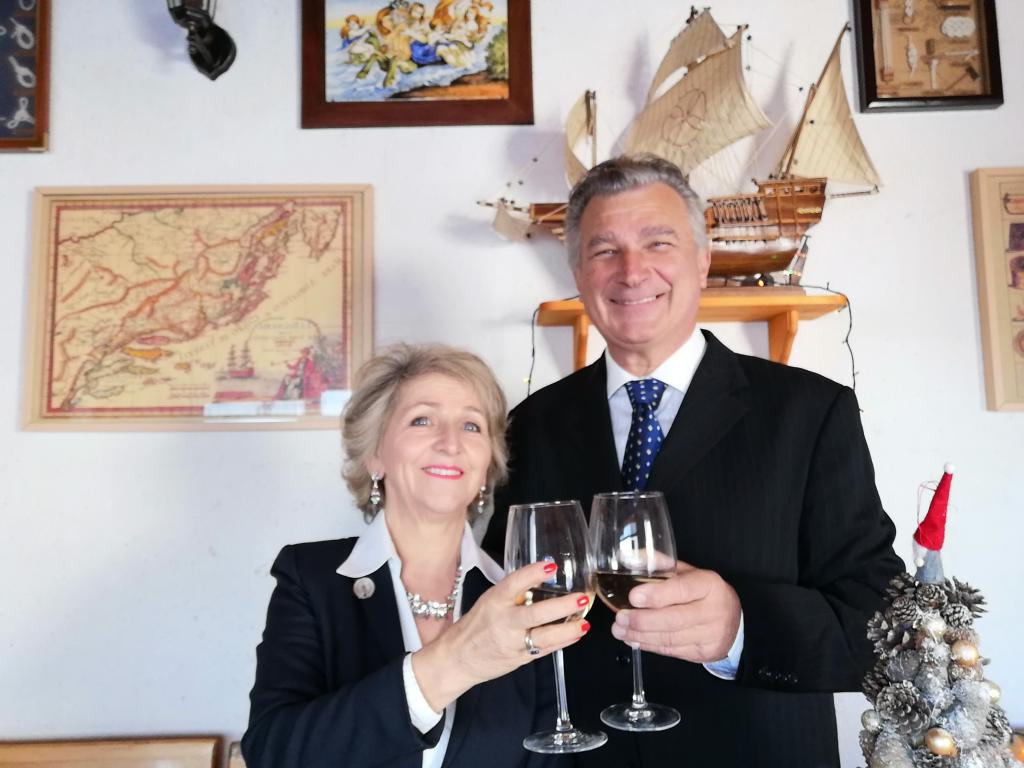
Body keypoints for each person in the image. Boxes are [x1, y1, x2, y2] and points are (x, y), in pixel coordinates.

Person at [483, 154, 904, 768]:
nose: (632, 271)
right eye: (605, 250)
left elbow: (880, 619)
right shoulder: (531, 424)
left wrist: (741, 628)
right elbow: (500, 597)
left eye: (658, 242)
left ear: (703, 260)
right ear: (578, 272)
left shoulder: (811, 412)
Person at [244, 343, 589, 768]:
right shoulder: (310, 578)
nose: (450, 443)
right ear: (374, 454)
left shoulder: (523, 592)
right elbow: (273, 751)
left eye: (471, 425)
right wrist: (454, 662)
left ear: (488, 465)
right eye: (422, 420)